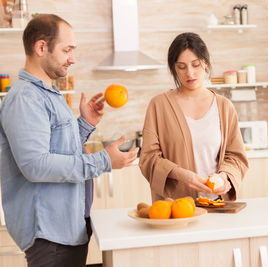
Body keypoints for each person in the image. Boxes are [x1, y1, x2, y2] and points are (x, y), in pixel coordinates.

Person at [0, 14, 138, 267]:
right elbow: (36, 165)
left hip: (66, 227)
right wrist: (103, 160)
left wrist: (84, 124)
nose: (72, 59)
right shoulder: (26, 99)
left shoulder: (49, 93)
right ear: (41, 47)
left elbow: (59, 148)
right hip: (50, 234)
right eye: (67, 50)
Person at [139, 32, 248, 202]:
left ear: (205, 63)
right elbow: (148, 158)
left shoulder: (225, 107)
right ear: (174, 68)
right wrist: (181, 174)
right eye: (181, 67)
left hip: (217, 205)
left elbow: (235, 156)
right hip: (175, 207)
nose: (189, 73)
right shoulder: (158, 106)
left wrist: (224, 177)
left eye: (195, 65)